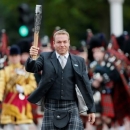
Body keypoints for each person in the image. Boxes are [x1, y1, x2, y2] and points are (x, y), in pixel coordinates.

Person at [25, 29, 96, 130]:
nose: (62, 44)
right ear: (54, 43)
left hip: (72, 106)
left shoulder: (79, 61)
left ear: (69, 42)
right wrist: (32, 57)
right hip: (50, 106)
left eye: (64, 42)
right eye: (59, 42)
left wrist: (91, 109)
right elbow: (32, 68)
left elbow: (85, 85)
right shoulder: (45, 57)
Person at [0, 45, 37, 130]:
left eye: (16, 55)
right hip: (8, 103)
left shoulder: (26, 70)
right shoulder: (5, 71)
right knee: (8, 127)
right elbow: (1, 85)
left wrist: (23, 89)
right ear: (9, 57)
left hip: (22, 104)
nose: (14, 58)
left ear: (19, 56)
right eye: (12, 56)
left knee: (24, 127)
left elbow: (33, 85)